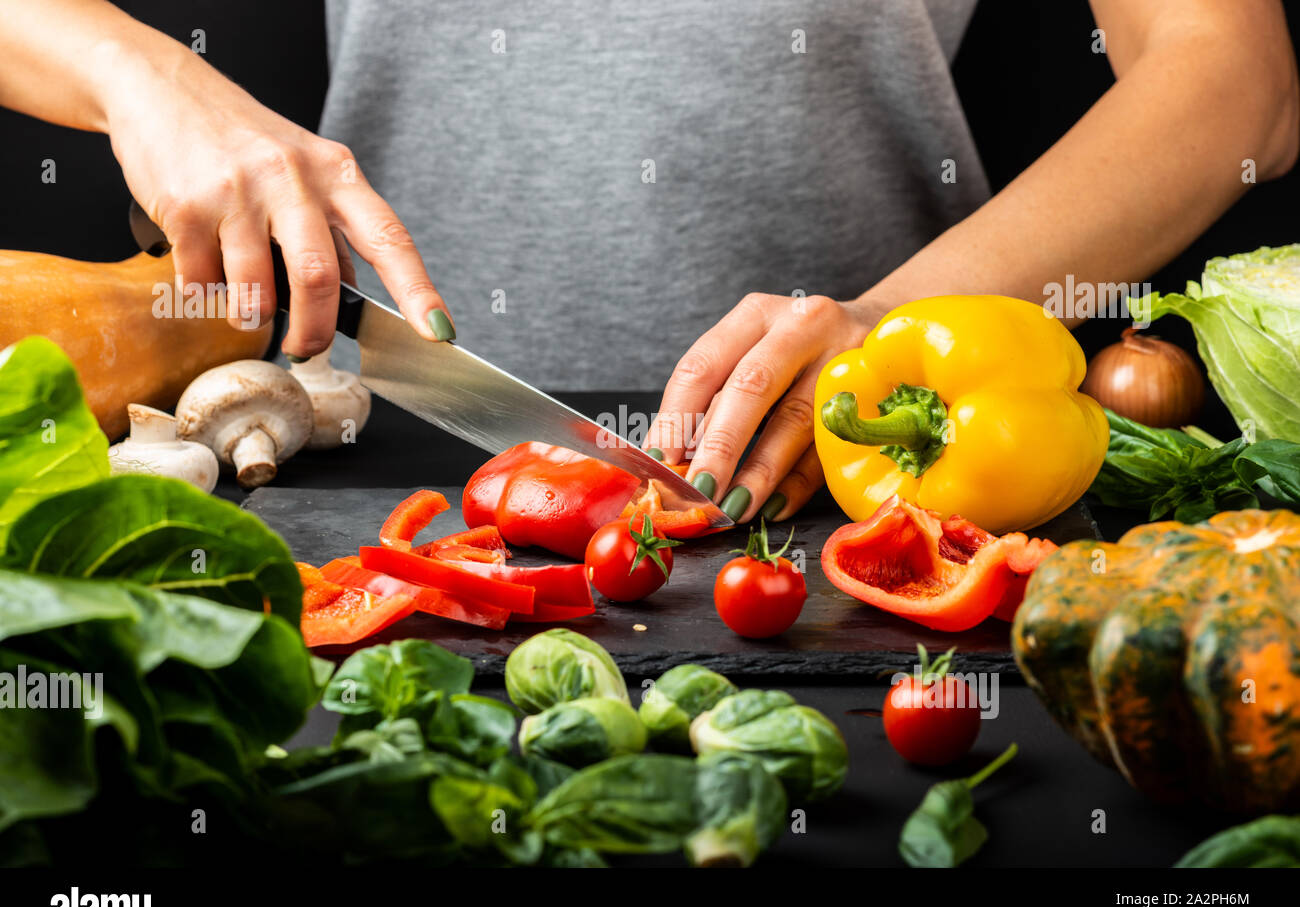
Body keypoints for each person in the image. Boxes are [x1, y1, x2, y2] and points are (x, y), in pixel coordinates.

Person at [3, 0, 1296, 524]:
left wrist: (893, 327)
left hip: (851, 490)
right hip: (358, 482)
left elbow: (1230, 79)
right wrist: (136, 70)